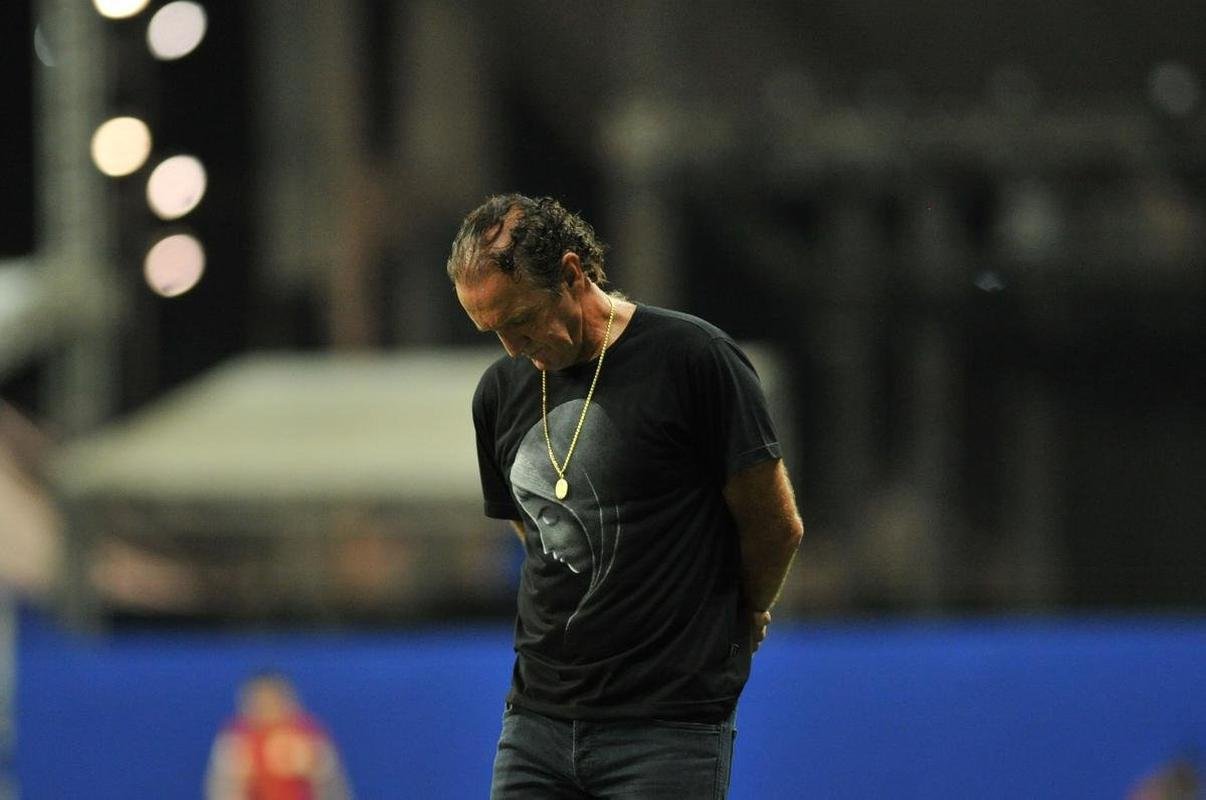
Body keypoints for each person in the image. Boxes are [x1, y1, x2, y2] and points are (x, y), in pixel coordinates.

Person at [447, 193, 805, 799]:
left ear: (571, 274)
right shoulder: (499, 393)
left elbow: (774, 522)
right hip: (536, 722)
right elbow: (530, 527)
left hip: (666, 727)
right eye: (493, 331)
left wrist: (745, 610)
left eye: (521, 319)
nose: (511, 347)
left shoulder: (694, 359)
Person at [205, 672, 353, 800]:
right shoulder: (236, 738)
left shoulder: (309, 735)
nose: (266, 706)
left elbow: (333, 787)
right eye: (259, 700)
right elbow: (223, 789)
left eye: (272, 699)